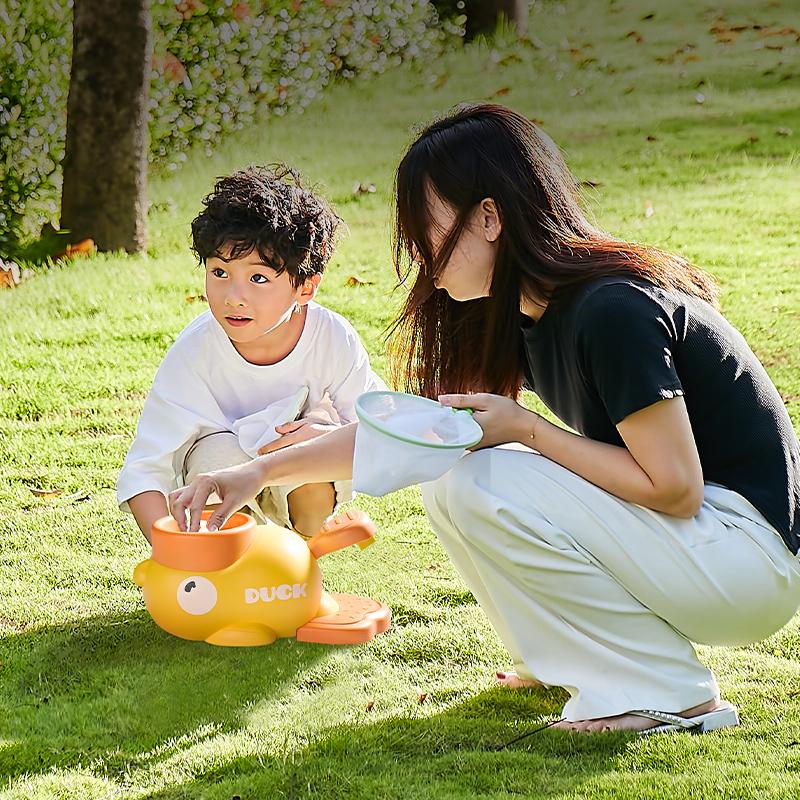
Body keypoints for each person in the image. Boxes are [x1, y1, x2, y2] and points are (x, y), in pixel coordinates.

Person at [168, 105, 800, 735]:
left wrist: (528, 431)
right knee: (453, 477)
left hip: (749, 561)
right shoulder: (519, 313)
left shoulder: (612, 310)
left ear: (490, 218)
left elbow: (677, 488)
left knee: (487, 478)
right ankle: (571, 661)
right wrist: (256, 472)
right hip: (702, 551)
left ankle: (667, 695)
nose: (419, 253)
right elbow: (414, 435)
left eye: (427, 229)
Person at [118, 164, 385, 541]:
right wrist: (172, 555)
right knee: (217, 459)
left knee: (313, 444)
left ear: (305, 288)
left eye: (258, 278)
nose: (233, 297)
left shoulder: (332, 338)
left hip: (296, 481)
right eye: (220, 273)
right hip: (216, 473)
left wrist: (330, 431)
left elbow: (384, 429)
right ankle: (229, 558)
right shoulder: (194, 353)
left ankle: (303, 550)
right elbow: (146, 469)